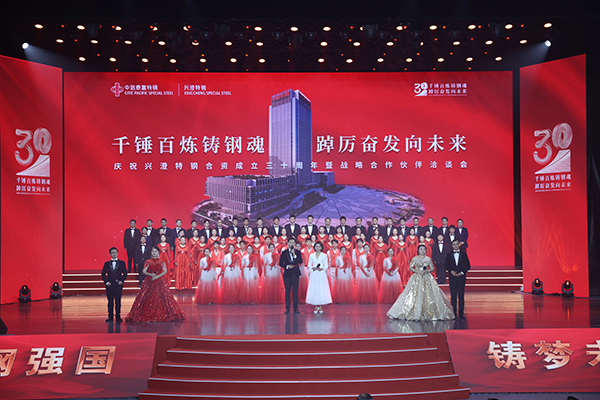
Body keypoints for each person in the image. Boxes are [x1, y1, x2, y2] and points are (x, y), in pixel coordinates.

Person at [387, 245, 455, 321]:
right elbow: (410, 267)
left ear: (426, 250)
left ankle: (430, 313)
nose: (422, 251)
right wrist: (418, 271)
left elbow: (432, 268)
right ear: (418, 250)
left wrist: (427, 271)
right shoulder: (415, 258)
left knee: (430, 294)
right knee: (414, 293)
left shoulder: (428, 259)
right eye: (421, 249)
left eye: (424, 249)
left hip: (427, 277)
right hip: (417, 277)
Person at [126, 247, 185, 323]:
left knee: (163, 297)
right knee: (147, 296)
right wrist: (151, 274)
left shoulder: (161, 262)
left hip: (159, 280)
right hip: (149, 280)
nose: (154, 253)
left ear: (158, 253)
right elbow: (144, 271)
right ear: (151, 252)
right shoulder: (148, 261)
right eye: (153, 251)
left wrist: (157, 276)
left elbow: (165, 271)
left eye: (155, 251)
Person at [445, 240, 471, 318]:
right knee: (453, 296)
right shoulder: (449, 255)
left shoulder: (464, 254)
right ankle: (453, 312)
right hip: (452, 277)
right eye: (454, 244)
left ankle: (461, 312)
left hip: (461, 277)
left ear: (459, 245)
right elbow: (446, 265)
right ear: (452, 245)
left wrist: (462, 272)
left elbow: (468, 266)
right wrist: (451, 271)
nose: (455, 246)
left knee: (461, 295)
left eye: (457, 244)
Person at [101, 247, 127, 323]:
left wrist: (121, 281)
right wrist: (106, 282)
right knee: (110, 301)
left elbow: (125, 273)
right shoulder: (107, 263)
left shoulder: (122, 263)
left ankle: (118, 316)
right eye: (112, 253)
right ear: (110, 254)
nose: (114, 254)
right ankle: (110, 316)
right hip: (110, 285)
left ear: (117, 253)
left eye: (115, 252)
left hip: (118, 285)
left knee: (118, 301)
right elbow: (103, 274)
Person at [306, 242, 332, 313]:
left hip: (321, 274)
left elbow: (326, 265)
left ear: (321, 247)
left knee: (321, 289)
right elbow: (309, 264)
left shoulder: (324, 255)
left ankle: (320, 306)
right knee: (314, 289)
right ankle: (315, 306)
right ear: (314, 247)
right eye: (316, 246)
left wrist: (322, 269)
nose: (318, 248)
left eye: (319, 246)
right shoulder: (311, 255)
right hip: (314, 273)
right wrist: (313, 268)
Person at [279, 237, 302, 314]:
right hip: (287, 273)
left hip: (295, 273)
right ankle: (287, 308)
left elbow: (300, 261)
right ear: (287, 243)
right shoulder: (284, 252)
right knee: (287, 291)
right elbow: (280, 263)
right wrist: (287, 266)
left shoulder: (297, 252)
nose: (292, 244)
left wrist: (294, 255)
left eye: (293, 242)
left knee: (295, 291)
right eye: (290, 242)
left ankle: (296, 308)